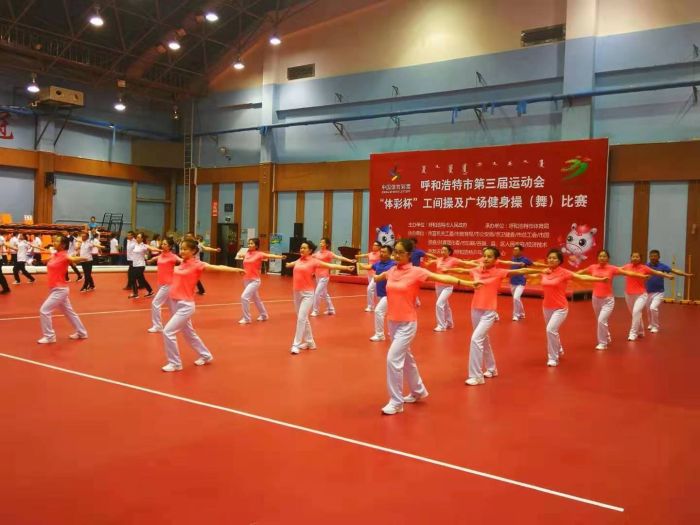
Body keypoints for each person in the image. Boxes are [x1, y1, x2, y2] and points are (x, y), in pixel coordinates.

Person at [373, 238, 480, 415]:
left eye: (400, 252)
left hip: (407, 323)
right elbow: (382, 276)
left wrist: (467, 283)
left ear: (409, 255)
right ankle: (418, 390)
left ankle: (396, 402)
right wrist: (376, 276)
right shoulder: (392, 270)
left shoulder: (417, 272)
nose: (396, 255)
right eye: (395, 252)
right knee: (406, 359)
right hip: (392, 322)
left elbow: (441, 277)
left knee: (393, 359)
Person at [451, 247, 541, 385]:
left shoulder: (499, 272)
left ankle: (476, 376)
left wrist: (542, 271)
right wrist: (446, 270)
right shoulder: (476, 270)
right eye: (485, 256)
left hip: (489, 312)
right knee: (483, 340)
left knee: (475, 339)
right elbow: (460, 270)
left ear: (496, 259)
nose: (486, 258)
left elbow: (521, 271)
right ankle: (492, 369)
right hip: (475, 309)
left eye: (489, 256)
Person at [161, 238, 244, 372]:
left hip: (185, 305)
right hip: (174, 302)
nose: (182, 251)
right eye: (181, 248)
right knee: (189, 334)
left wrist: (236, 269)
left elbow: (218, 267)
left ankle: (175, 363)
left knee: (168, 331)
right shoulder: (181, 263)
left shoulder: (198, 264)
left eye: (185, 249)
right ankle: (206, 355)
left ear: (193, 250)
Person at [540, 249, 607, 367]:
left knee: (550, 330)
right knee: (552, 330)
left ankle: (553, 358)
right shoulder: (545, 272)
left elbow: (582, 278)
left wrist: (600, 279)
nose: (551, 260)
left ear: (559, 260)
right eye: (550, 258)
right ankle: (558, 348)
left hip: (560, 308)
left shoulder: (564, 273)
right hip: (546, 307)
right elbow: (529, 271)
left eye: (554, 258)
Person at [285, 240, 353, 354]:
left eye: (304, 248)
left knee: (301, 318)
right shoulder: (298, 260)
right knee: (303, 318)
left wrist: (346, 268)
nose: (301, 249)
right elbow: (291, 264)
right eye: (301, 247)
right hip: (296, 292)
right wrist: (287, 263)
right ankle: (310, 342)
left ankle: (295, 344)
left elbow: (330, 265)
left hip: (307, 294)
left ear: (310, 250)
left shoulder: (314, 261)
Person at [576, 250, 649, 350]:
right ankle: (607, 336)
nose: (602, 258)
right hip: (595, 298)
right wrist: (570, 275)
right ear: (597, 258)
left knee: (601, 320)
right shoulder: (592, 267)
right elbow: (580, 272)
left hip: (608, 300)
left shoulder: (612, 268)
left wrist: (642, 276)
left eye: (604, 256)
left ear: (608, 258)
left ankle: (603, 343)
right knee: (600, 321)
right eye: (600, 256)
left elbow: (628, 273)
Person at [37, 235, 88, 344]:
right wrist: (44, 260)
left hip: (59, 290)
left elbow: (72, 259)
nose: (54, 242)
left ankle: (50, 336)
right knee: (69, 313)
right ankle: (82, 332)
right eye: (54, 241)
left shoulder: (65, 255)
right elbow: (50, 261)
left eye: (57, 241)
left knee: (44, 310)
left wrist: (84, 257)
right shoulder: (55, 254)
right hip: (55, 288)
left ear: (63, 245)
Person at [621, 251, 673, 341]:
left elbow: (657, 272)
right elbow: (616, 270)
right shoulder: (626, 267)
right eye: (633, 256)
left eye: (637, 257)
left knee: (636, 312)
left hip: (641, 294)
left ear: (640, 258)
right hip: (628, 294)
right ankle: (641, 331)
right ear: (631, 258)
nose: (635, 258)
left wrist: (667, 276)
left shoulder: (644, 268)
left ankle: (633, 333)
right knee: (635, 314)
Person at [238, 238, 286, 324]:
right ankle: (264, 315)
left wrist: (280, 257)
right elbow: (246, 265)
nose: (249, 245)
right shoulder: (246, 253)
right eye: (249, 243)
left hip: (254, 281)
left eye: (251, 243)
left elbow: (269, 255)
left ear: (256, 246)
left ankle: (247, 318)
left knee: (244, 297)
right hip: (246, 279)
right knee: (256, 299)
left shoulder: (259, 254)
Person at [645, 249, 692, 333]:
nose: (653, 257)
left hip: (659, 292)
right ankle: (651, 323)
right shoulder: (646, 266)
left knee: (653, 308)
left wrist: (686, 274)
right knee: (648, 309)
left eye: (655, 256)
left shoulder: (662, 266)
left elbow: (674, 271)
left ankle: (655, 326)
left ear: (659, 257)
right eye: (651, 256)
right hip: (647, 292)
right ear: (649, 257)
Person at [358, 244, 396, 341]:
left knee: (378, 311)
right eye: (381, 252)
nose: (382, 254)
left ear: (390, 254)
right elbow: (371, 266)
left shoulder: (393, 264)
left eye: (384, 252)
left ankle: (380, 335)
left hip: (390, 293)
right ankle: (393, 331)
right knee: (389, 312)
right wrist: (360, 266)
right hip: (381, 293)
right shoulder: (379, 263)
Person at [310, 237, 355, 316]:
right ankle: (331, 309)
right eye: (320, 242)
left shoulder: (329, 253)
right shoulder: (317, 253)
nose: (321, 244)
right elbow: (310, 259)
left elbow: (339, 257)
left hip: (324, 276)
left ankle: (315, 311)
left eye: (323, 242)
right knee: (325, 294)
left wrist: (350, 260)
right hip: (317, 276)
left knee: (317, 293)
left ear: (326, 244)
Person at [146, 237, 180, 333]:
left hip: (168, 284)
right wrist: (151, 260)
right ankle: (178, 323)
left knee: (155, 303)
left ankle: (157, 326)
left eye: (165, 244)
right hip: (161, 283)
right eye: (162, 243)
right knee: (172, 305)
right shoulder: (161, 254)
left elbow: (182, 261)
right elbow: (157, 258)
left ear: (170, 246)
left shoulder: (173, 256)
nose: (162, 245)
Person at [356, 241, 382, 312]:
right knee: (375, 291)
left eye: (376, 245)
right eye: (373, 245)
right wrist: (358, 256)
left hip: (376, 274)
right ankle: (377, 306)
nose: (374, 246)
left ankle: (370, 306)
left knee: (370, 289)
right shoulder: (370, 254)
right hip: (369, 274)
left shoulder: (380, 254)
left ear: (379, 247)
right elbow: (364, 255)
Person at [509, 244, 533, 321]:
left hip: (521, 282)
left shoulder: (525, 259)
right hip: (512, 281)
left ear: (521, 251)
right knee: (517, 299)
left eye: (516, 250)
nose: (514, 251)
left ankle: (516, 315)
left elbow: (532, 265)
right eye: (514, 250)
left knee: (516, 298)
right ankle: (522, 313)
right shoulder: (512, 259)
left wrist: (527, 273)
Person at [128, 233, 155, 299]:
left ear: (142, 239)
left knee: (133, 278)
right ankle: (150, 291)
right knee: (142, 280)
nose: (137, 238)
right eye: (137, 237)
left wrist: (161, 250)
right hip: (135, 265)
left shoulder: (144, 246)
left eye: (138, 237)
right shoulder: (135, 244)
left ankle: (135, 294)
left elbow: (151, 248)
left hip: (140, 265)